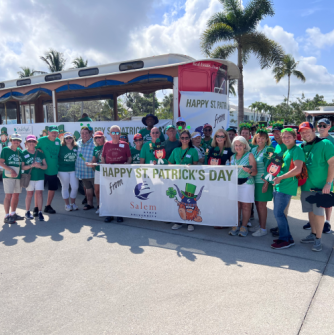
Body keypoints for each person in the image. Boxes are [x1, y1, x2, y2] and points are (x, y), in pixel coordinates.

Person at [299, 122, 334, 251]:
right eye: (302, 132)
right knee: (310, 212)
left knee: (318, 213)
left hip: (320, 187)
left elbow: (332, 164)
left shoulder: (326, 144)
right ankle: (313, 234)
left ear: (314, 130)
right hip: (306, 186)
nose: (305, 134)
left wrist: (328, 183)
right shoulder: (303, 146)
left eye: (307, 130)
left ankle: (318, 239)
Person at [270, 128, 305, 249]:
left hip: (287, 186)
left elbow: (297, 169)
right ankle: (287, 237)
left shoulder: (297, 150)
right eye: (283, 136)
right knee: (280, 214)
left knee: (278, 214)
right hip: (280, 185)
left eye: (288, 136)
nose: (285, 138)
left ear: (295, 137)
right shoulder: (287, 151)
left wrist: (280, 178)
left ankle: (285, 240)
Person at [168, 129, 199, 231]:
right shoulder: (175, 150)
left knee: (189, 200)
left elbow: (196, 165)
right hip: (178, 178)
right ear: (180, 139)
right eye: (182, 138)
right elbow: (170, 163)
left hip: (190, 180)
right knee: (179, 201)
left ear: (189, 139)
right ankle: (179, 221)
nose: (184, 140)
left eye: (186, 138)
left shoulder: (193, 151)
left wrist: (191, 166)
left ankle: (190, 222)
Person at [102, 125, 132, 223]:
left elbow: (129, 158)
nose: (115, 135)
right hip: (109, 174)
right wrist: (104, 166)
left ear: (120, 134)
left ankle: (119, 213)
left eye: (117, 133)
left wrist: (126, 165)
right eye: (113, 133)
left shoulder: (125, 144)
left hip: (121, 174)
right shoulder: (106, 144)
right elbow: (103, 158)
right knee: (110, 194)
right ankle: (110, 214)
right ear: (110, 134)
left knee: (120, 194)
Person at [229, 136, 257, 237]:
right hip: (234, 184)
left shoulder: (250, 155)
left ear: (245, 145)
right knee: (236, 206)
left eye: (240, 145)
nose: (238, 147)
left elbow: (255, 172)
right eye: (236, 145)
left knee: (246, 206)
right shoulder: (232, 157)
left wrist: (249, 170)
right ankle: (236, 225)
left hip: (247, 183)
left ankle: (244, 226)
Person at [250, 129, 273, 237]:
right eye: (258, 137)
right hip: (254, 181)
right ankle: (260, 225)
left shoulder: (269, 150)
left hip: (263, 182)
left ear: (266, 139)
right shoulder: (254, 149)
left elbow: (271, 168)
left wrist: (266, 183)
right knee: (257, 204)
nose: (260, 140)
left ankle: (263, 229)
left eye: (263, 138)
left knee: (262, 205)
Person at [21, 135, 47, 221]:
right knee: (29, 195)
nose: (31, 143)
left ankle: (40, 212)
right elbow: (22, 167)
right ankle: (27, 212)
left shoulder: (40, 152)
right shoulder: (23, 153)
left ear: (36, 143)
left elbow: (45, 166)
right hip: (29, 178)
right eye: (29, 141)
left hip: (39, 177)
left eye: (33, 141)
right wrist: (32, 165)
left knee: (39, 194)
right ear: (26, 143)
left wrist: (40, 166)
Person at [36, 125, 61, 214]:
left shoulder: (58, 141)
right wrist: (38, 151)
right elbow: (32, 149)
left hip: (53, 170)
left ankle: (48, 206)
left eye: (56, 132)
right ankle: (36, 208)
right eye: (52, 132)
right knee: (39, 190)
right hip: (41, 169)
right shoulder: (41, 140)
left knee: (52, 189)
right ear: (48, 132)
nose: (54, 133)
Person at [0, 133, 24, 224]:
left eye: (18, 140)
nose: (16, 142)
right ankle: (6, 216)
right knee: (8, 195)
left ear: (20, 142)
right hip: (8, 176)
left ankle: (13, 213)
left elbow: (22, 164)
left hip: (18, 176)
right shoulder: (6, 150)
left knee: (16, 195)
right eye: (14, 140)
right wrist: (11, 170)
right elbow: (1, 163)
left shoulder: (20, 151)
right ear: (11, 141)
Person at [57, 132, 79, 212]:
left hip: (73, 169)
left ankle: (73, 203)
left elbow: (81, 156)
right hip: (62, 170)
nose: (69, 139)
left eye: (70, 138)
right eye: (67, 138)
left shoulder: (76, 147)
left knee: (75, 187)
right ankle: (67, 204)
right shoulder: (60, 147)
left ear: (73, 138)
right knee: (65, 187)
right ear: (64, 139)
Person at [85, 131, 106, 215]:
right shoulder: (95, 148)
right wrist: (90, 164)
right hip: (97, 170)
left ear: (103, 137)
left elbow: (107, 161)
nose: (98, 139)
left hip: (106, 171)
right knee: (96, 190)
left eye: (99, 137)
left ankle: (105, 206)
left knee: (105, 190)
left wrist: (96, 163)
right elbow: (94, 161)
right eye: (96, 137)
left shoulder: (107, 146)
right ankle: (98, 206)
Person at [75, 126, 95, 210]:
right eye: (82, 133)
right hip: (83, 172)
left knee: (98, 191)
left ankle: (100, 205)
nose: (84, 135)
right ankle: (89, 204)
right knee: (88, 189)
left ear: (90, 134)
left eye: (86, 133)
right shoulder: (78, 143)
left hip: (93, 171)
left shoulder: (94, 143)